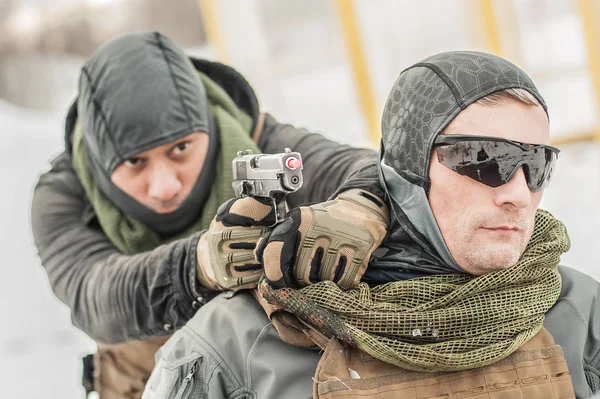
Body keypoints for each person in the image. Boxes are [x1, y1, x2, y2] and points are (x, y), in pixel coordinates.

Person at [144, 51, 600, 399]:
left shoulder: (578, 312)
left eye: (536, 164)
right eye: (484, 160)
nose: (519, 194)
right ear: (409, 171)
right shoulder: (241, 341)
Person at [30, 31, 381, 398]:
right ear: (101, 164)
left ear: (209, 128)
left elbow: (371, 170)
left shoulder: (258, 139)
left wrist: (357, 209)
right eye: (134, 162)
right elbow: (93, 296)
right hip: (140, 380)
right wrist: (197, 267)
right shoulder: (63, 194)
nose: (165, 186)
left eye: (181, 148)